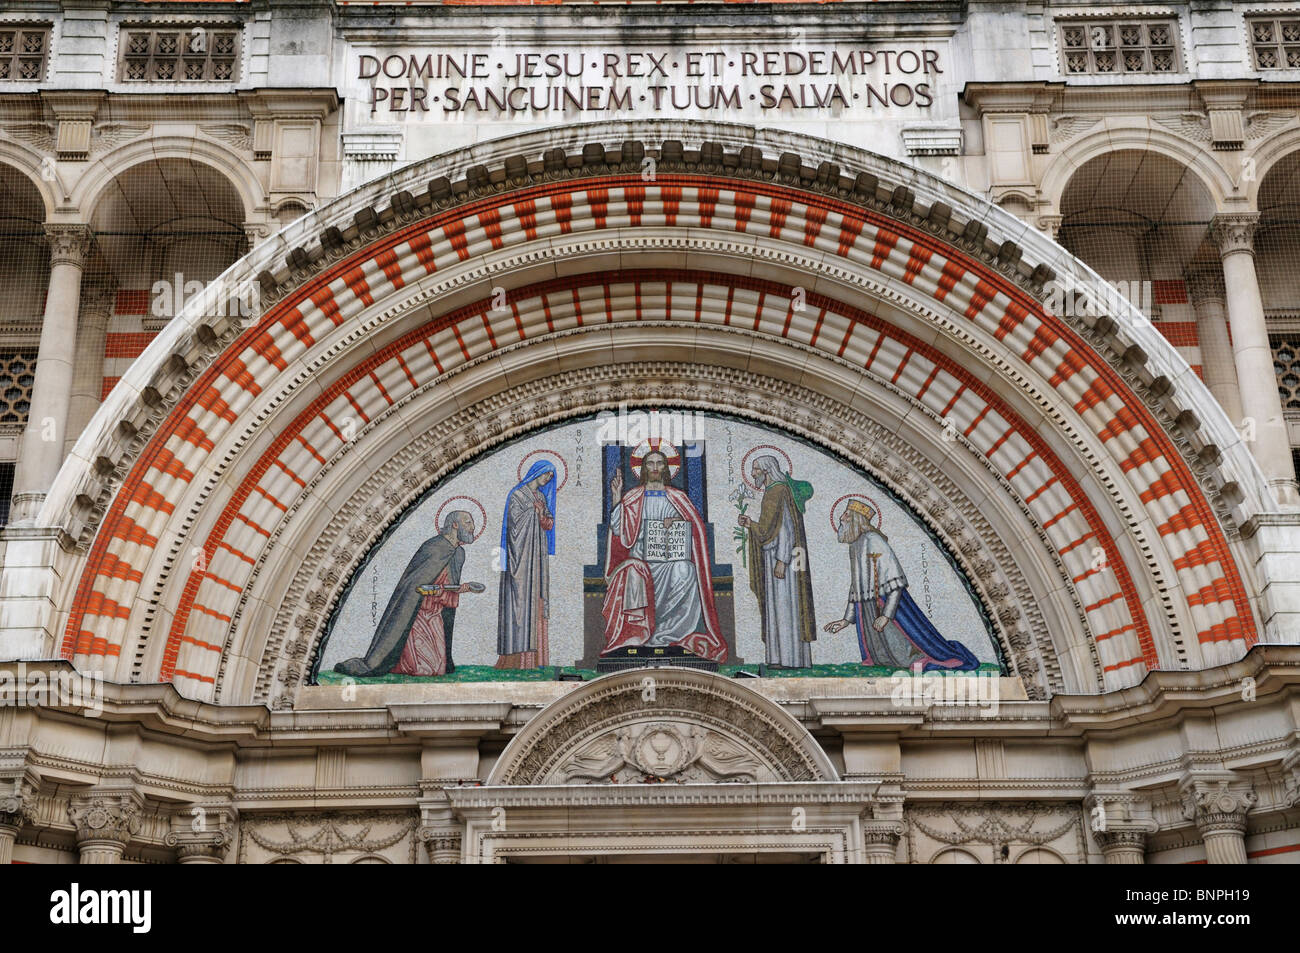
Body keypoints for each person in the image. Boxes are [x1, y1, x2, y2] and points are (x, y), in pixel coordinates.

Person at [601, 450, 727, 662]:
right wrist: (616, 496)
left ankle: (669, 633)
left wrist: (677, 521)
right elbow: (618, 530)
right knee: (634, 573)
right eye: (650, 463)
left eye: (660, 463)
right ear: (643, 469)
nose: (655, 467)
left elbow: (693, 529)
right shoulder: (633, 497)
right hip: (641, 558)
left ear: (666, 468)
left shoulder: (678, 498)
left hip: (668, 559)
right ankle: (638, 634)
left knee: (685, 569)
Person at [822, 500, 978, 671]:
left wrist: (886, 615)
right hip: (866, 606)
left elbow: (895, 582)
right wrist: (846, 620)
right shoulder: (855, 545)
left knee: (906, 656)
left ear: (857, 519)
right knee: (883, 658)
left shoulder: (874, 540)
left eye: (846, 514)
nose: (841, 518)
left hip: (884, 602)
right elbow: (856, 584)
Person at [334, 510, 477, 677]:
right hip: (418, 615)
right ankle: (398, 659)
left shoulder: (459, 554)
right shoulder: (433, 547)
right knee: (427, 670)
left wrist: (462, 588)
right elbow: (413, 584)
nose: (472, 527)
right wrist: (429, 590)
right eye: (468, 522)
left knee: (437, 669)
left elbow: (449, 588)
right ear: (455, 525)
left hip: (436, 614)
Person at [739, 455, 816, 667]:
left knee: (785, 608)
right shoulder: (772, 491)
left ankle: (791, 659)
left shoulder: (779, 491)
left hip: (782, 560)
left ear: (766, 470)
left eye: (755, 469)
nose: (753, 473)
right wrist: (751, 525)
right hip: (772, 556)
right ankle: (778, 658)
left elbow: (786, 529)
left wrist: (781, 560)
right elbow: (768, 528)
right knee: (777, 608)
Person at [495, 461, 557, 669]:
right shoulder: (518, 495)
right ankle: (516, 659)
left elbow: (548, 523)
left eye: (550, 476)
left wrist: (541, 515)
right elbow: (513, 526)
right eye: (546, 475)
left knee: (537, 598)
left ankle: (536, 660)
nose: (548, 479)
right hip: (521, 557)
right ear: (536, 473)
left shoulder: (540, 497)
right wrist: (533, 513)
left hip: (537, 556)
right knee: (521, 600)